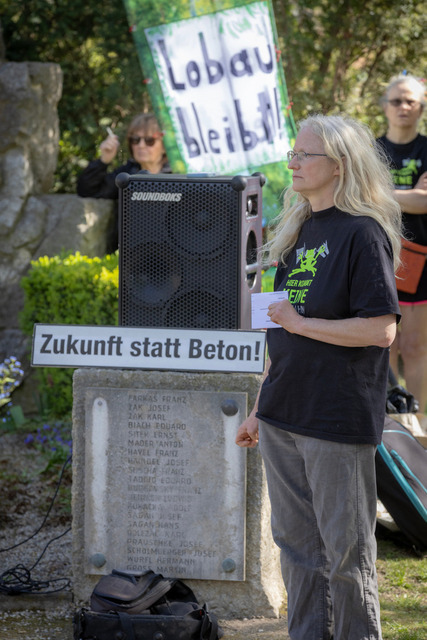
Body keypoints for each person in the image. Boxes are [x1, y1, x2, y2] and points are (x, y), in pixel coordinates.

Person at [236, 114, 402, 640]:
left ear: (339, 165)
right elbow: (279, 332)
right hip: (283, 414)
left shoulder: (363, 233)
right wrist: (260, 407)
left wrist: (302, 324)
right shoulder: (298, 228)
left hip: (335, 417)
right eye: (294, 153)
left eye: (305, 155)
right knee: (296, 551)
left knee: (346, 557)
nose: (293, 163)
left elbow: (381, 329)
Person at [377, 74, 427, 412]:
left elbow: (425, 204)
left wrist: (381, 194)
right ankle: (391, 423)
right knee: (385, 346)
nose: (403, 107)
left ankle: (420, 425)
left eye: (411, 101)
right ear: (385, 107)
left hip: (419, 260)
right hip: (376, 255)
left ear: (421, 108)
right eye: (397, 101)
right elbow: (358, 196)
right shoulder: (371, 150)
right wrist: (411, 195)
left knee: (415, 348)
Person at [77, 112, 172, 200]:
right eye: (135, 140)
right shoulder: (126, 175)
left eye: (149, 140)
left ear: (164, 147)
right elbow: (87, 191)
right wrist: (104, 160)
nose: (141, 145)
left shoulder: (176, 174)